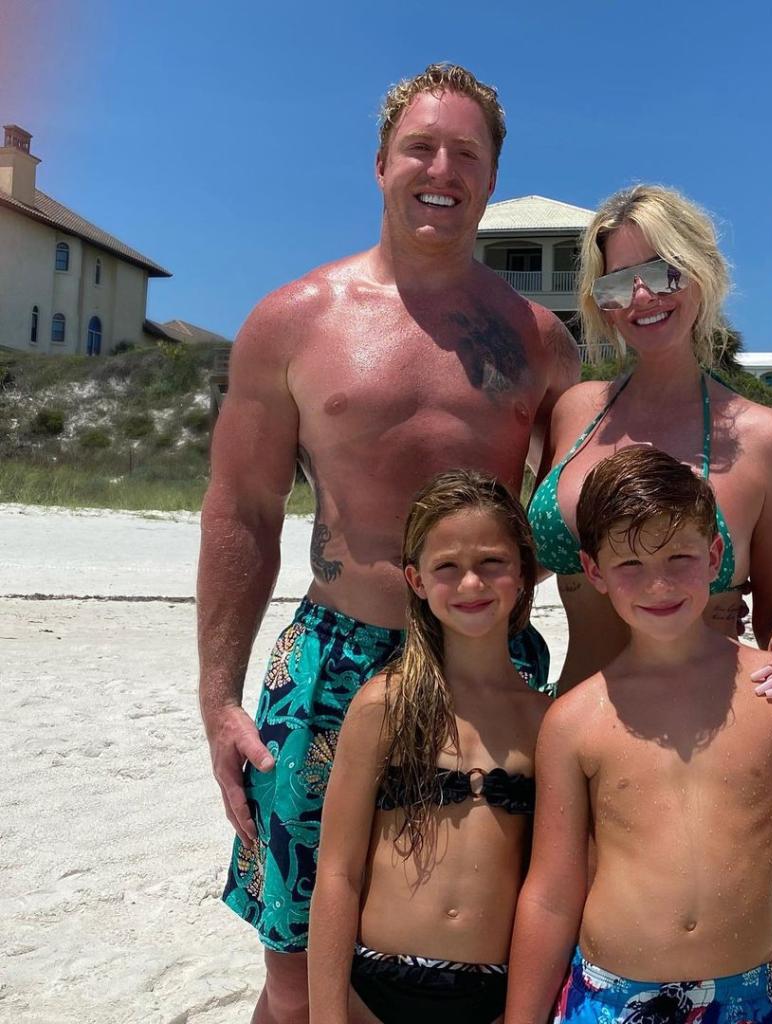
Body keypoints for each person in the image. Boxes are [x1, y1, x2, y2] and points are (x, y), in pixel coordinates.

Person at [197, 63, 579, 1023]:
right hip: (331, 665)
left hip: (487, 668)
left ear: (491, 180)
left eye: (466, 153)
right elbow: (241, 510)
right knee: (296, 973)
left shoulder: (539, 342)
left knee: (483, 952)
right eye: (421, 146)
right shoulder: (292, 322)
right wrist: (216, 699)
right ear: (380, 164)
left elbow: (578, 526)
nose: (440, 168)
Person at [505, 447, 772, 1024]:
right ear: (595, 571)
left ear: (713, 557)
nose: (658, 584)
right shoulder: (574, 721)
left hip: (743, 1000)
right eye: (630, 565)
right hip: (606, 999)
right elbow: (552, 895)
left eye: (679, 556)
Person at [528, 183, 772, 698]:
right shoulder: (574, 412)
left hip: (704, 736)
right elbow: (525, 562)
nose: (642, 297)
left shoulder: (768, 440)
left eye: (661, 271)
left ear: (701, 270)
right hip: (574, 728)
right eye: (617, 285)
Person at [307, 470, 549, 1024]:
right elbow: (338, 873)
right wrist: (326, 1015)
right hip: (375, 989)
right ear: (416, 580)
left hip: (493, 995)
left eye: (492, 562)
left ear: (523, 574)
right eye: (448, 568)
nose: (471, 585)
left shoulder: (543, 721)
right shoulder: (383, 706)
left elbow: (549, 886)